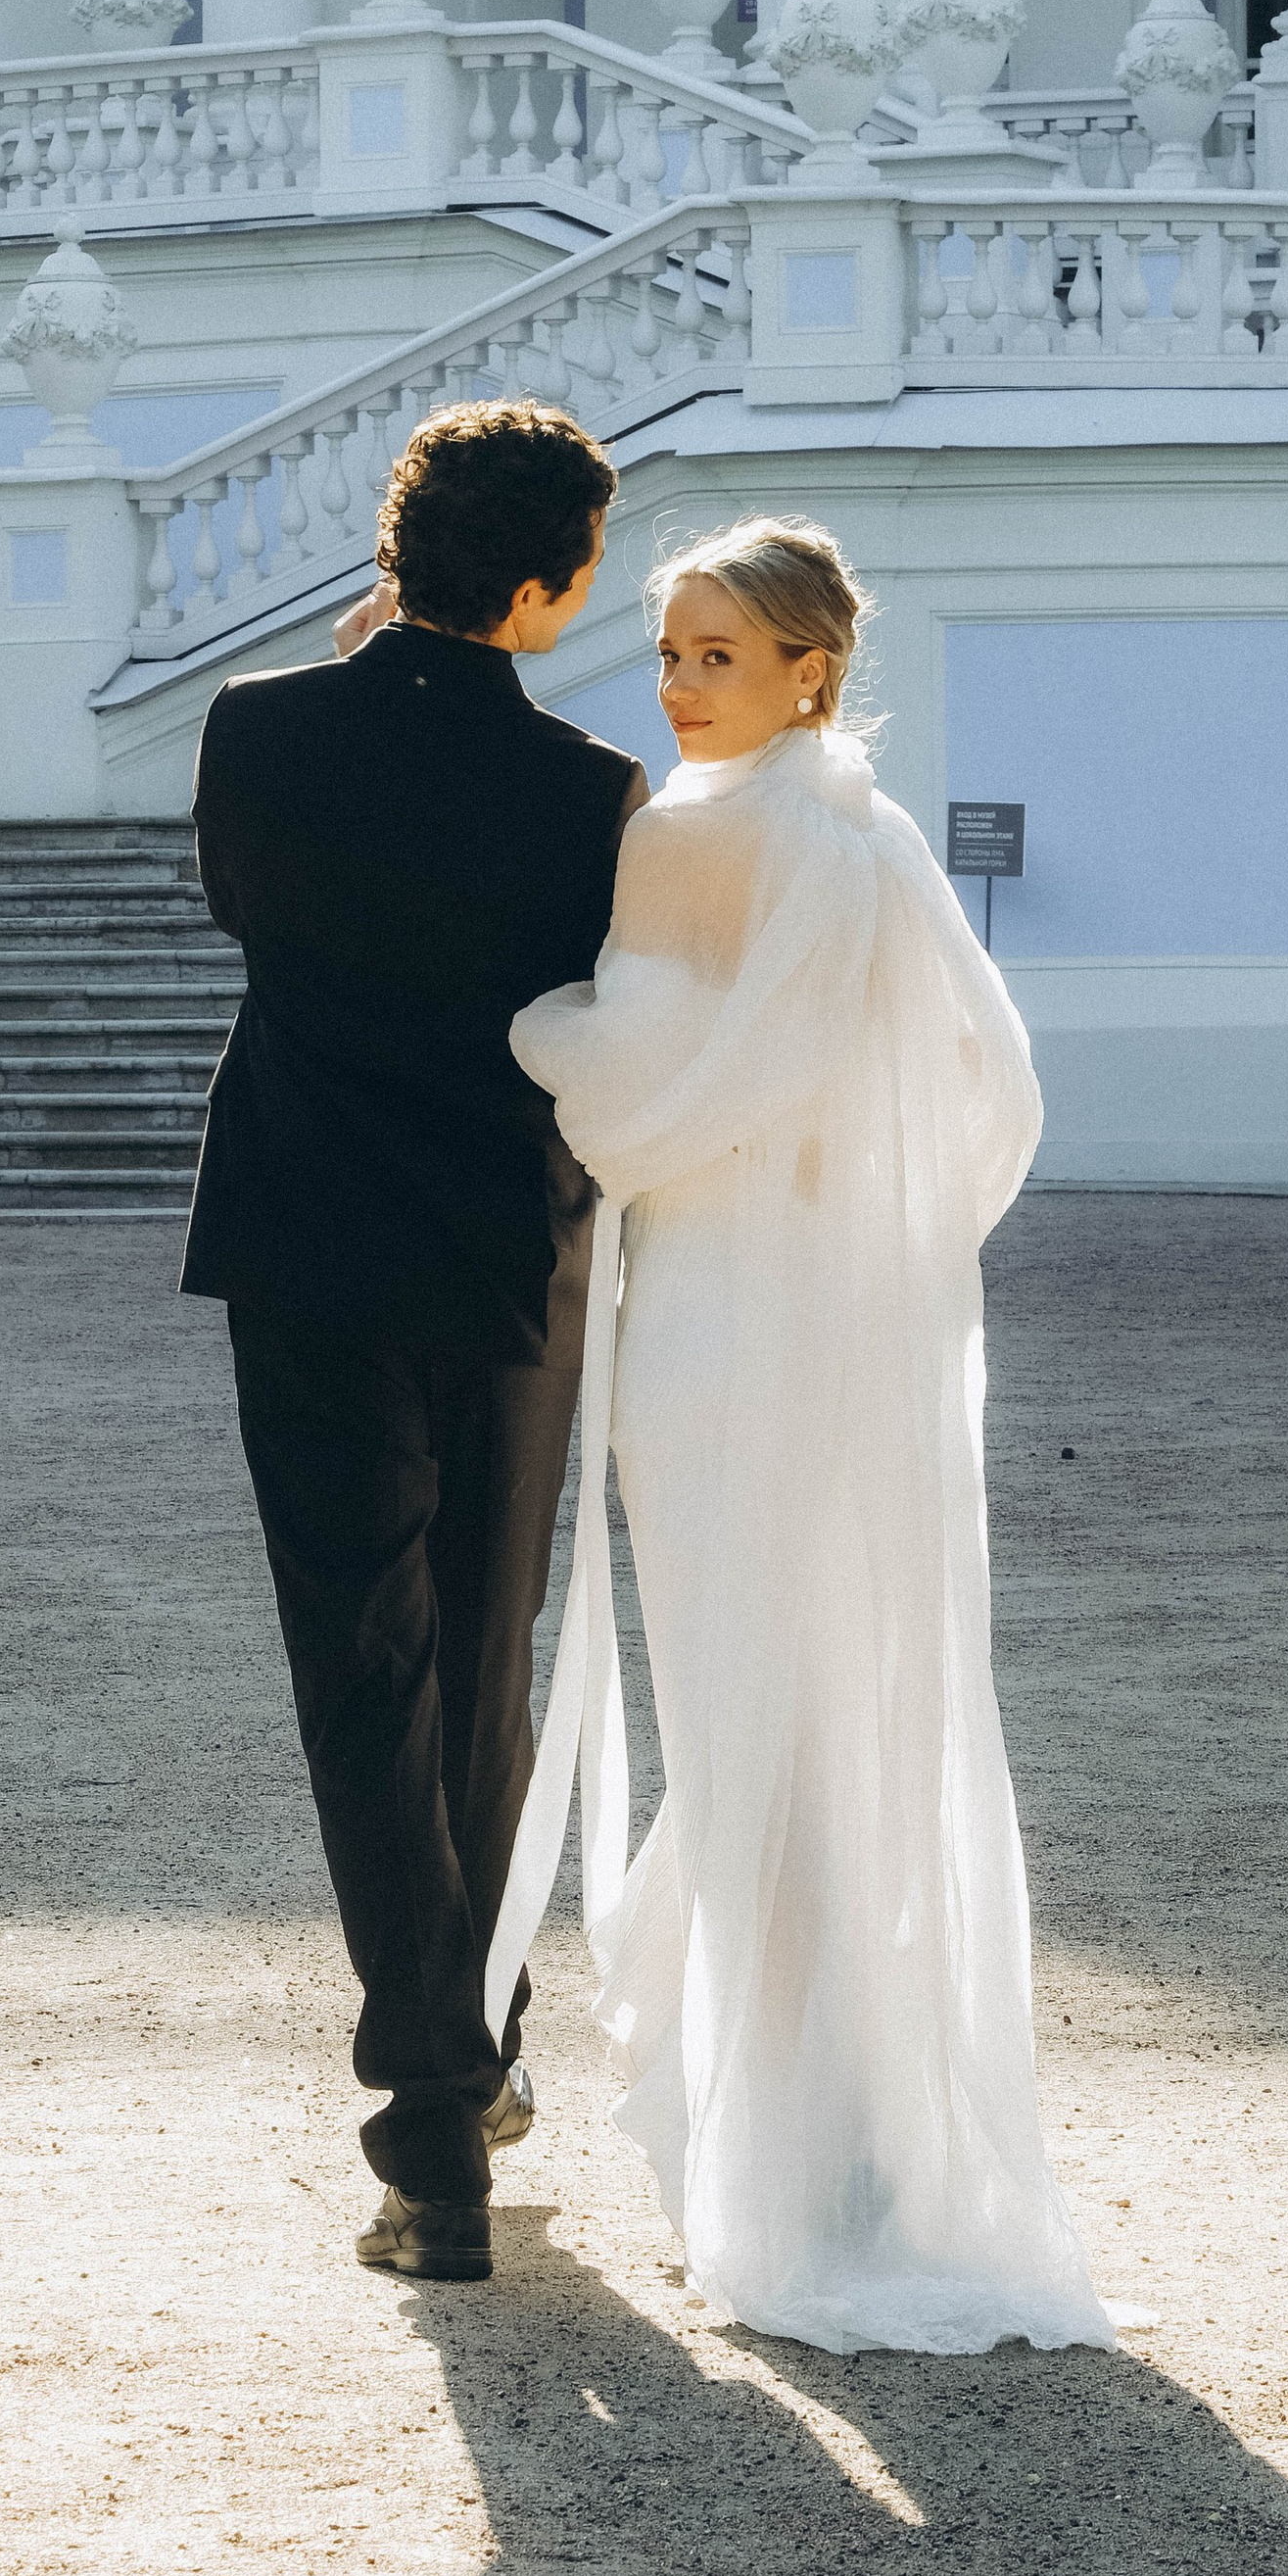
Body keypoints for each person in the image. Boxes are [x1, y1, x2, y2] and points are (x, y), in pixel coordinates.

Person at [505, 519, 1111, 2357]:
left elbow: (635, 1091)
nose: (675, 684)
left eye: (710, 654)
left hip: (714, 1324)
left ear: (807, 675)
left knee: (747, 1700)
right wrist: (872, 1214)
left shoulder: (687, 835)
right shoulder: (871, 835)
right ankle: (854, 2146)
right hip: (847, 1322)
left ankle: (789, 2166)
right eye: (669, 650)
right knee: (834, 1695)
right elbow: (990, 1090)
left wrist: (537, 1033)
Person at [185, 400, 646, 2287]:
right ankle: (463, 2073)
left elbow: (248, 917)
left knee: (360, 1672)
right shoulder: (590, 792)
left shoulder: (254, 732)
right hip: (504, 1263)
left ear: (396, 544)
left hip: (305, 1245)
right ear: (547, 583)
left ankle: (435, 2126)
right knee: (487, 1665)